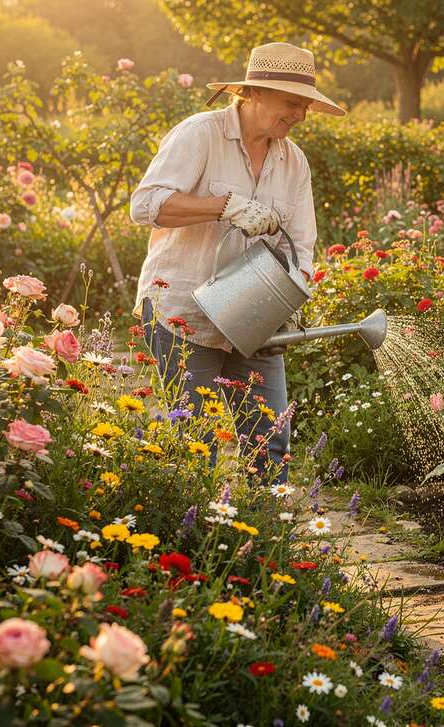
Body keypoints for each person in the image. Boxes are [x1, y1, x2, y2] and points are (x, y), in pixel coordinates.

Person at [129, 42, 345, 485]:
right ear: (255, 93)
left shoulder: (293, 161)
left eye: (305, 106)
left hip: (253, 316)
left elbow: (303, 245)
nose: (301, 115)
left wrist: (289, 299)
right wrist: (224, 206)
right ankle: (192, 541)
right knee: (193, 441)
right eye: (293, 104)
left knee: (272, 438)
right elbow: (146, 205)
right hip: (182, 312)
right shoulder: (200, 134)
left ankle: (269, 546)